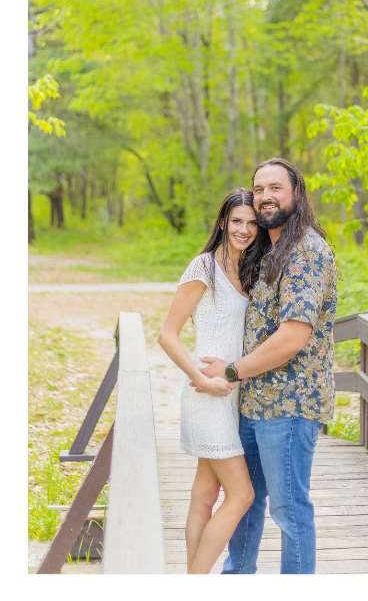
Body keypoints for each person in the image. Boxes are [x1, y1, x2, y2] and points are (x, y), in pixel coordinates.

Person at [206, 158, 338, 575]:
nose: (265, 196)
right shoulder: (269, 250)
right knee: (244, 499)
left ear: (295, 193)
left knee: (289, 509)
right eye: (259, 188)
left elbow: (292, 338)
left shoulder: (306, 251)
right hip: (255, 402)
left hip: (290, 404)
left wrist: (231, 371)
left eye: (275, 188)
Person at [157, 189, 259, 574]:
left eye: (251, 223)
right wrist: (201, 378)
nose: (244, 229)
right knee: (242, 494)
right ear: (223, 222)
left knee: (205, 494)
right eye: (237, 221)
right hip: (206, 394)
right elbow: (168, 334)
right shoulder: (204, 267)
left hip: (231, 395)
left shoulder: (249, 269)